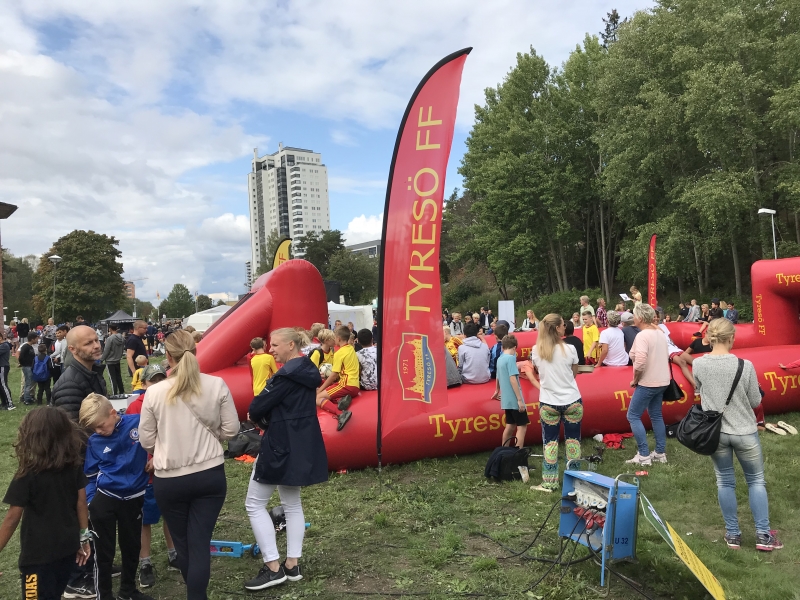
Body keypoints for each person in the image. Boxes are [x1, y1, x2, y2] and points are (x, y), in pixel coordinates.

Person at [138, 329, 239, 600]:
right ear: (195, 352)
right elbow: (232, 429)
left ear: (168, 357)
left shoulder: (154, 392)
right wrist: (212, 436)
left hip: (170, 478)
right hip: (209, 474)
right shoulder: (216, 384)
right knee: (199, 543)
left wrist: (165, 446)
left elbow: (146, 440)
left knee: (183, 545)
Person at [244, 328, 328, 591]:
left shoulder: (284, 376)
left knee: (254, 504)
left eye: (275, 345)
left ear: (291, 345)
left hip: (279, 445)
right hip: (300, 443)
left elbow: (256, 407)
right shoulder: (309, 370)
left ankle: (272, 567)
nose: (271, 349)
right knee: (292, 504)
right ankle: (292, 564)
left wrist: (259, 415)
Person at [693, 318, 782, 551]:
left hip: (716, 433)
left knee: (724, 481)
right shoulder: (745, 365)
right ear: (732, 337)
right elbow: (755, 401)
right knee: (756, 480)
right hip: (745, 431)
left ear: (710, 337)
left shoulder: (698, 364)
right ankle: (763, 535)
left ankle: (733, 535)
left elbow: (699, 392)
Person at [0, 408, 92, 600]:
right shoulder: (73, 466)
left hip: (37, 559)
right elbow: (81, 503)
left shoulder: (27, 474)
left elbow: (11, 519)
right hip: (68, 550)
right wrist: (84, 538)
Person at [79, 394, 154, 600]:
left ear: (113, 413)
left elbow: (164, 435)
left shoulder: (138, 422)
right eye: (94, 428)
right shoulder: (94, 441)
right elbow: (90, 476)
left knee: (132, 547)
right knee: (104, 553)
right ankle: (104, 595)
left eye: (101, 426)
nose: (98, 431)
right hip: (106, 500)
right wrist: (91, 501)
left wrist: (157, 456)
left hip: (135, 497)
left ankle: (127, 592)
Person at [125, 365, 178, 588]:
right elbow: (131, 440)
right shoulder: (135, 407)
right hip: (145, 473)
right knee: (144, 519)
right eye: (152, 381)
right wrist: (148, 459)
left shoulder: (172, 402)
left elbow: (175, 434)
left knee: (171, 515)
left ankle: (174, 553)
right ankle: (145, 562)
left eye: (160, 380)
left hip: (169, 469)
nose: (156, 385)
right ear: (144, 384)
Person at [529, 314, 582, 491]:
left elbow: (539, 372)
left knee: (550, 443)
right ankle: (574, 481)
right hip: (572, 400)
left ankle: (549, 482)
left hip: (548, 401)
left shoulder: (536, 350)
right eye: (563, 324)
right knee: (573, 441)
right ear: (559, 328)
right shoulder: (570, 349)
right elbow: (574, 373)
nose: (564, 326)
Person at [626, 304, 670, 466]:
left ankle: (644, 455)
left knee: (633, 415)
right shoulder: (660, 334)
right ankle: (660, 452)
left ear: (640, 318)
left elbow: (640, 361)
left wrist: (636, 379)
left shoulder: (643, 336)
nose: (633, 318)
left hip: (648, 381)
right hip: (662, 380)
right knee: (656, 415)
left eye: (634, 315)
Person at [53, 326, 107, 422]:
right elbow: (72, 426)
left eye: (96, 340)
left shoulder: (94, 372)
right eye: (88, 343)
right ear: (72, 349)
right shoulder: (69, 386)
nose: (97, 346)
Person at [316, 327, 358, 431]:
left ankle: (340, 413)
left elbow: (333, 375)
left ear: (338, 339)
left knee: (317, 398)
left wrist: (320, 390)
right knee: (328, 392)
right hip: (355, 385)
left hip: (346, 385)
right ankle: (340, 400)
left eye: (334, 337)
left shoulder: (339, 353)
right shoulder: (351, 348)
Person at [491, 335, 529, 449]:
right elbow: (513, 379)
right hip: (514, 399)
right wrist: (519, 399)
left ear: (502, 347)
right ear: (515, 347)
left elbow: (498, 376)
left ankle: (504, 450)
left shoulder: (500, 359)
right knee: (522, 426)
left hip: (506, 399)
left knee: (510, 425)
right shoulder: (511, 359)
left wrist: (497, 390)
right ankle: (518, 452)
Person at [102, 324, 127, 395]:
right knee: (118, 377)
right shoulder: (122, 338)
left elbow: (106, 350)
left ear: (110, 329)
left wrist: (102, 359)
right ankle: (122, 392)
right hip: (118, 359)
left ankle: (114, 394)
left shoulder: (110, 339)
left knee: (112, 378)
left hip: (110, 361)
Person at [17, 332, 38, 405]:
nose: (37, 340)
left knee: (30, 382)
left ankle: (29, 397)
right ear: (32, 339)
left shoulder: (30, 346)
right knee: (28, 383)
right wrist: (23, 364)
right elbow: (21, 357)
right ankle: (26, 399)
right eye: (36, 338)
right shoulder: (25, 346)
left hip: (30, 366)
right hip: (27, 367)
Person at [0, 331, 15, 410]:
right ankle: (4, 402)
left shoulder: (4, 345)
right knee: (0, 386)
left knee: (3, 385)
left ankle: (10, 403)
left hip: (3, 366)